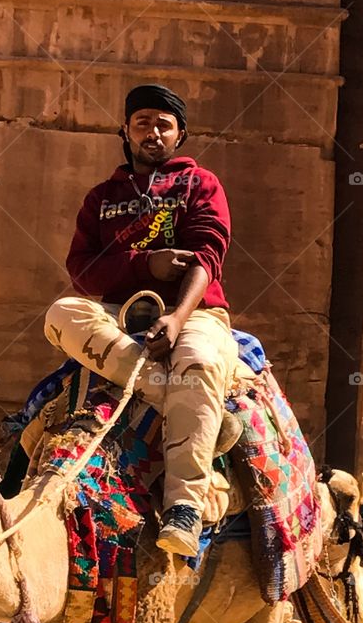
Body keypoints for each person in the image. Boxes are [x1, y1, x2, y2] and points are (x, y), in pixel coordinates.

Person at [44, 83, 239, 558]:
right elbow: (81, 273)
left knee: (196, 356)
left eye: (164, 125)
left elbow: (207, 254)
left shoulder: (200, 184)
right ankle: (185, 398)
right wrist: (143, 265)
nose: (153, 132)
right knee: (60, 313)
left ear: (180, 135)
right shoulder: (101, 197)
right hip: (117, 314)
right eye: (142, 123)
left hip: (195, 311)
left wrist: (176, 318)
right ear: (125, 132)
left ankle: (184, 510)